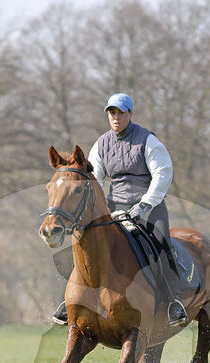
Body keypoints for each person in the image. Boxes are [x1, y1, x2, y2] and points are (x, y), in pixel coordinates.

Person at [52, 92, 188, 327]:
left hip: (149, 208)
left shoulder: (148, 141)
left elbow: (162, 174)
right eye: (111, 113)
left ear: (130, 114)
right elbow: (94, 177)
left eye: (120, 113)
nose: (115, 117)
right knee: (87, 245)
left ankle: (174, 302)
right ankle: (73, 300)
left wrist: (145, 204)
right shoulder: (102, 143)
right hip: (114, 207)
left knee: (161, 245)